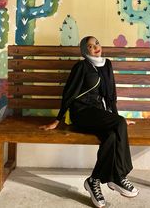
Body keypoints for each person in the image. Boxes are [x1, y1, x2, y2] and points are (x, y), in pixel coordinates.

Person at [40, 36, 139, 208]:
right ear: (85, 51)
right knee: (119, 124)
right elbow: (69, 94)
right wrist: (58, 119)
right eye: (90, 46)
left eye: (97, 43)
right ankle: (118, 176)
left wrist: (116, 116)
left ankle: (93, 181)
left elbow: (110, 96)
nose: (95, 48)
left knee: (112, 136)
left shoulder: (107, 65)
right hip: (82, 113)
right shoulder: (81, 67)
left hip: (99, 113)